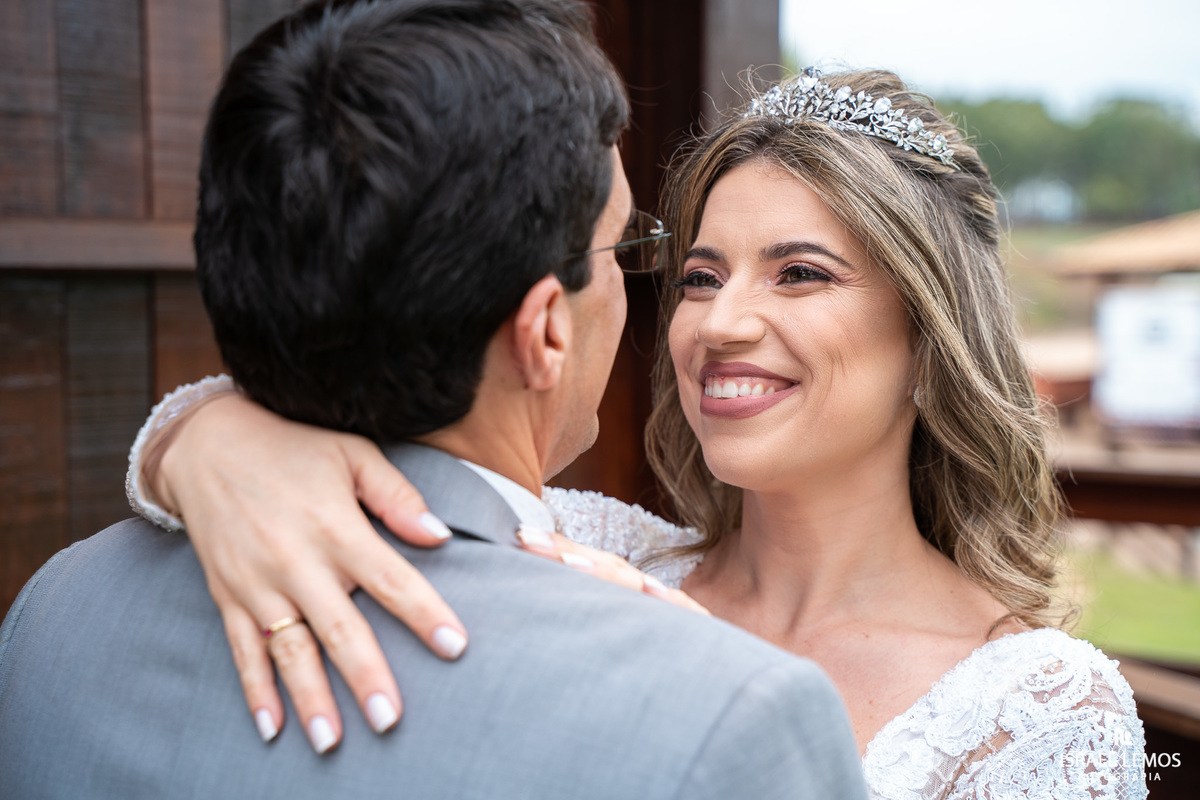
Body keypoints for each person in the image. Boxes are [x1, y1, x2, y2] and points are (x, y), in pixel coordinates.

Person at [124, 69, 1146, 799]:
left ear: (931, 341)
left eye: (799, 273)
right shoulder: (583, 542)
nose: (718, 323)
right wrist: (211, 442)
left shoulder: (1040, 705)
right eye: (701, 276)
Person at [0, 2, 869, 798]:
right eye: (628, 251)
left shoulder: (56, 610)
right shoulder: (731, 719)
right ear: (544, 333)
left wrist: (192, 436)